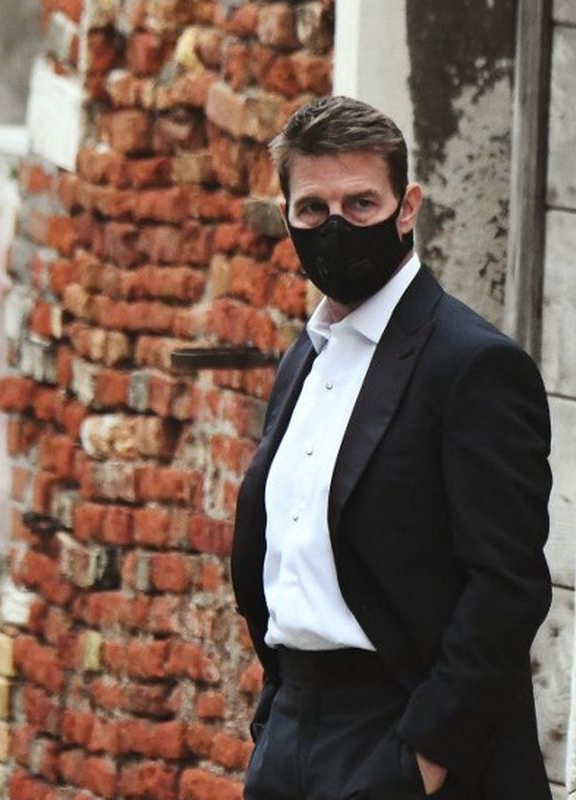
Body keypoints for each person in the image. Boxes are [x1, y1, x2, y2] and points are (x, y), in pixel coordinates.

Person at [230, 95, 554, 800]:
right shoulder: (306, 358)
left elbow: (508, 586)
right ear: (286, 213)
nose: (336, 226)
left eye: (361, 204)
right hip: (292, 730)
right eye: (313, 209)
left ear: (407, 208)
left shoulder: (472, 366)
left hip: (402, 734)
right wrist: (276, 716)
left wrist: (423, 763)